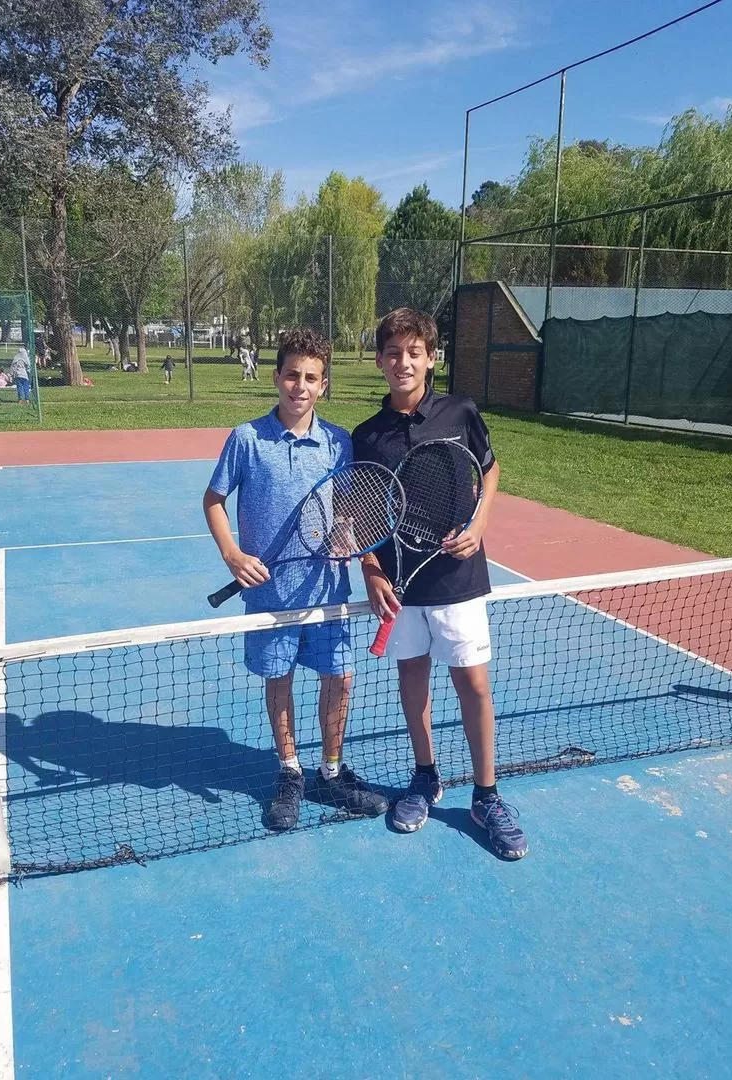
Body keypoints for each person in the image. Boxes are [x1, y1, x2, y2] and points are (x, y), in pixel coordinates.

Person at [352, 307, 528, 861]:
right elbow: (361, 516)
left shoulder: (460, 411)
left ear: (431, 357)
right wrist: (374, 572)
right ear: (380, 359)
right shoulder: (367, 435)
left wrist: (479, 526)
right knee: (414, 685)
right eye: (392, 352)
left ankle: (486, 795)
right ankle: (425, 777)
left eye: (414, 352)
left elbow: (490, 469)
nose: (403, 362)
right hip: (401, 588)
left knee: (473, 685)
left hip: (459, 580)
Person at [203, 326, 388, 831]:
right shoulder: (246, 439)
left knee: (340, 677)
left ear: (323, 385)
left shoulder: (339, 443)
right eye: (291, 375)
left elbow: (348, 506)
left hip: (329, 591)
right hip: (270, 595)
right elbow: (213, 500)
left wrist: (348, 536)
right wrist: (232, 555)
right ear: (276, 377)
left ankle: (331, 771)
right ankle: (289, 771)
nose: (299, 386)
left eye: (311, 378)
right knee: (278, 679)